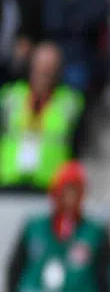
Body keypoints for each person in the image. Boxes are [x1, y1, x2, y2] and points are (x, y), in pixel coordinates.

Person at [6, 162, 110, 292]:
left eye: (75, 191)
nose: (69, 197)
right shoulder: (33, 228)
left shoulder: (95, 232)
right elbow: (15, 268)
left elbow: (107, 275)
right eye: (65, 190)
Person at [0, 44, 84, 190]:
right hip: (8, 182)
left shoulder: (70, 102)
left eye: (50, 67)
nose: (45, 72)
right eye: (41, 66)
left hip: (51, 185)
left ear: (58, 70)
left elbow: (78, 146)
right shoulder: (10, 96)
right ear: (31, 67)